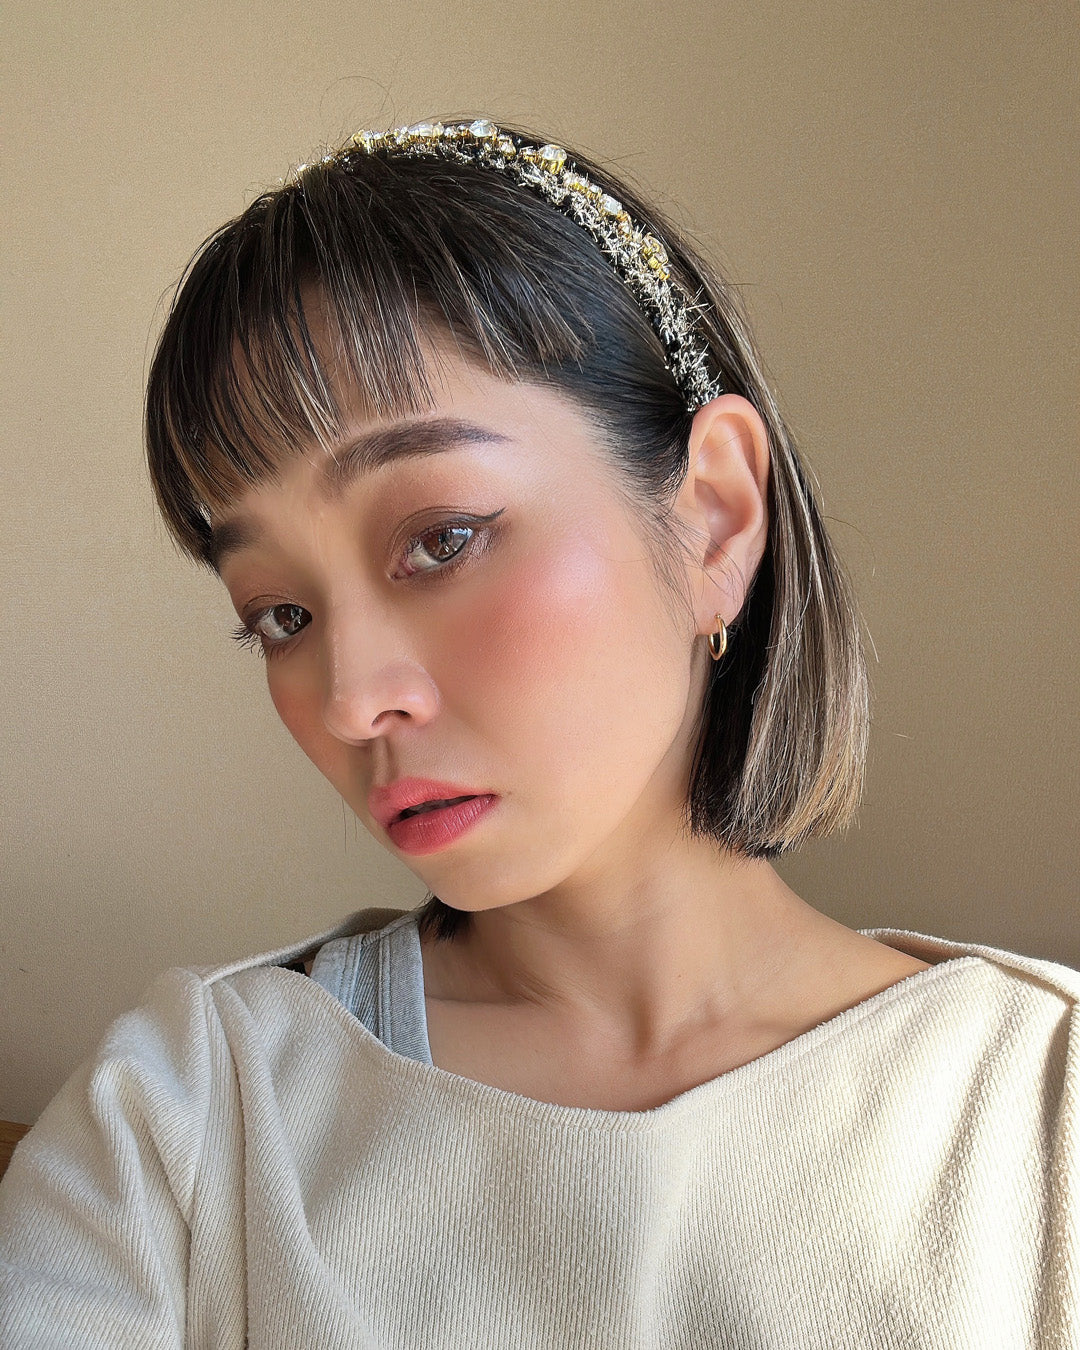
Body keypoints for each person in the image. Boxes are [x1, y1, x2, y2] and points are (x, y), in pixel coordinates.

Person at [1, 117, 1076, 1349]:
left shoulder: (1040, 1110)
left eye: (442, 538)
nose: (351, 700)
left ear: (716, 519)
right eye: (281, 614)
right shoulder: (191, 1116)